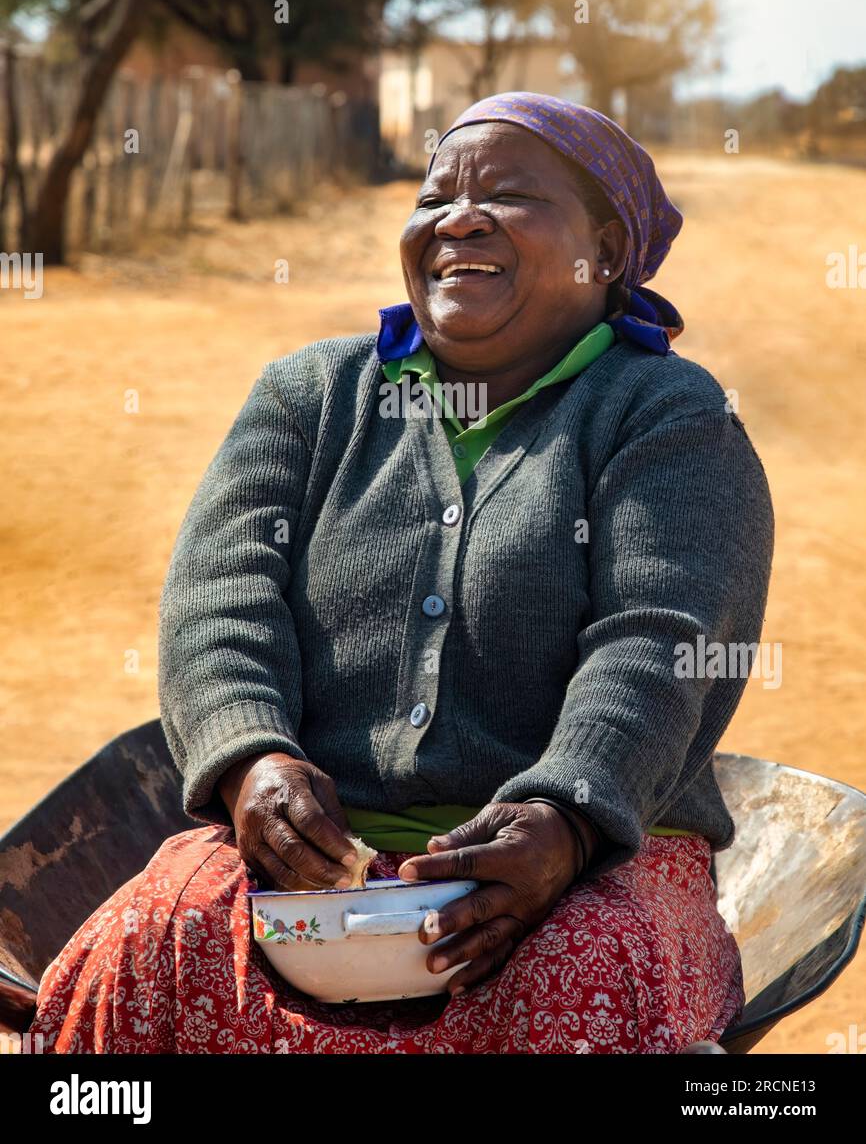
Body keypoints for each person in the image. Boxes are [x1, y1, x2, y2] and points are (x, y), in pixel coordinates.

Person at [34, 92, 773, 1054]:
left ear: (606, 247)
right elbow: (221, 602)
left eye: (510, 195)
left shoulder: (667, 414)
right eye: (434, 198)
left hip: (589, 863)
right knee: (148, 942)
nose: (458, 219)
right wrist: (254, 760)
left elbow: (661, 638)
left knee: (575, 981)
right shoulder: (309, 395)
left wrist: (567, 819)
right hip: (312, 869)